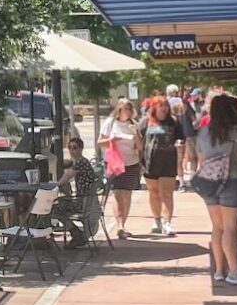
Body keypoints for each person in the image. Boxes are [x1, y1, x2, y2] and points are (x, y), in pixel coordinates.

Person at [195, 93, 237, 285]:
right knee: (231, 229)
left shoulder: (203, 133)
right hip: (233, 182)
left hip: (209, 183)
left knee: (217, 227)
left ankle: (219, 271)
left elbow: (201, 161)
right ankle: (234, 271)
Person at [139, 95, 184, 235]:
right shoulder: (146, 121)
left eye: (166, 105)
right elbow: (138, 140)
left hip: (168, 162)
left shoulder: (174, 122)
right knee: (154, 193)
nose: (164, 108)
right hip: (150, 162)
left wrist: (180, 144)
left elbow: (181, 138)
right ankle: (157, 220)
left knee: (167, 193)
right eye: (161, 105)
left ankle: (167, 222)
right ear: (154, 107)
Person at [99, 97, 141, 237]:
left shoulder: (134, 124)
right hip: (114, 163)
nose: (127, 111)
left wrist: (136, 134)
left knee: (127, 194)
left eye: (130, 109)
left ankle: (123, 223)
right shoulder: (110, 123)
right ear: (119, 110)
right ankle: (120, 227)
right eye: (125, 109)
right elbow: (100, 142)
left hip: (131, 163)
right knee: (117, 194)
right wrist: (111, 141)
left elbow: (140, 147)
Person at [54, 133, 103, 247]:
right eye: (69, 147)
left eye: (74, 147)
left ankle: (76, 233)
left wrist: (55, 185)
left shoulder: (80, 163)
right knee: (60, 203)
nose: (71, 150)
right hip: (85, 200)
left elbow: (67, 176)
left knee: (55, 209)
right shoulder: (82, 161)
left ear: (81, 149)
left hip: (84, 203)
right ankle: (76, 233)